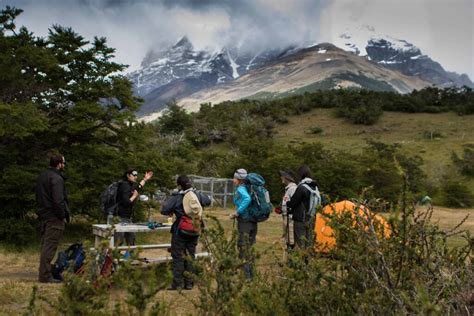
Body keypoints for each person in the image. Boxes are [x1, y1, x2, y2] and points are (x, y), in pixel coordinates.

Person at [161, 175, 211, 290]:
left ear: (179, 185)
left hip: (181, 230)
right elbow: (207, 201)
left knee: (178, 257)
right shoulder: (197, 195)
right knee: (190, 256)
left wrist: (174, 208)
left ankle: (177, 284)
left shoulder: (178, 196)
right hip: (195, 228)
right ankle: (189, 283)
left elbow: (164, 210)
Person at [36, 154, 70, 283]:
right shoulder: (56, 178)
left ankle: (45, 271)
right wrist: (61, 214)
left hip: (44, 215)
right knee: (50, 246)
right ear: (59, 164)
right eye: (64, 163)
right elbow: (58, 200)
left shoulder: (42, 176)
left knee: (45, 244)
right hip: (53, 217)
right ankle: (45, 275)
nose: (64, 166)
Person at [115, 168, 153, 246]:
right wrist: (134, 196)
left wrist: (145, 179)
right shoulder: (124, 186)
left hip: (128, 218)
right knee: (118, 242)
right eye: (134, 175)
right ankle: (112, 257)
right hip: (120, 218)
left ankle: (130, 257)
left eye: (136, 175)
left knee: (131, 239)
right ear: (128, 176)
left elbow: (138, 187)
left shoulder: (130, 185)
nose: (136, 177)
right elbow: (127, 202)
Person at [230, 168, 256, 280]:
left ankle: (246, 276)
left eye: (234, 178)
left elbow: (247, 199)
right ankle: (251, 273)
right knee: (249, 247)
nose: (233, 179)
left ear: (239, 179)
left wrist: (237, 212)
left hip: (244, 221)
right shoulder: (248, 187)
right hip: (252, 220)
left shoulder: (241, 189)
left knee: (243, 246)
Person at [286, 165, 319, 249]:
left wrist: (287, 204)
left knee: (301, 242)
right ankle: (307, 260)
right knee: (309, 241)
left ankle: (301, 260)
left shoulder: (302, 187)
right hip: (312, 217)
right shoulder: (314, 187)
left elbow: (293, 202)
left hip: (301, 219)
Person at [278, 170, 297, 250]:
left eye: (283, 176)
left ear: (287, 178)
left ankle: (291, 253)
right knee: (287, 237)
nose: (281, 177)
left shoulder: (292, 188)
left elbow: (294, 203)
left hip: (290, 217)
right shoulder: (288, 189)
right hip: (286, 216)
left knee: (291, 237)